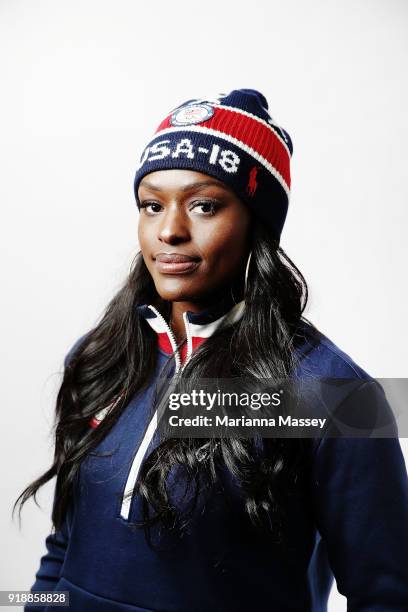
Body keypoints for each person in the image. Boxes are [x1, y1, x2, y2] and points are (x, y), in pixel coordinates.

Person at [15, 89, 408, 611]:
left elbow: (387, 596)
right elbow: (65, 549)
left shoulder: (334, 396)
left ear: (256, 224)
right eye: (151, 205)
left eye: (204, 205)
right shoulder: (97, 358)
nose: (170, 230)